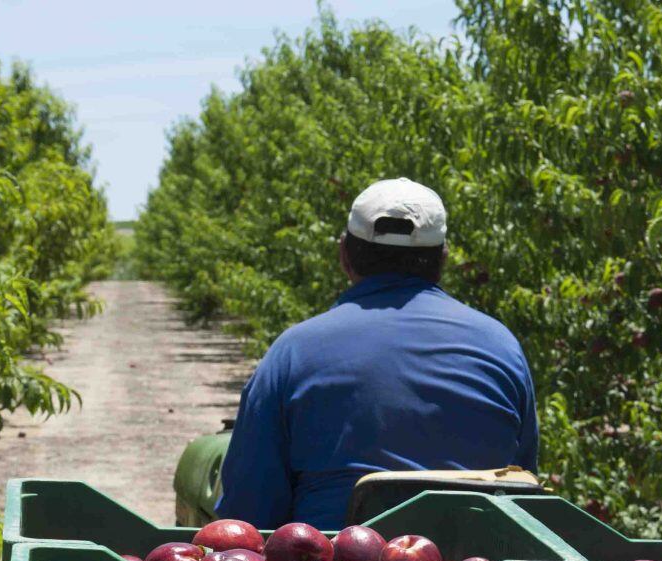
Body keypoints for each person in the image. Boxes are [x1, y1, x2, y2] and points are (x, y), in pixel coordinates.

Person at [214, 178, 539, 530]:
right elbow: (522, 485)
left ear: (344, 254)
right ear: (442, 258)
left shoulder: (293, 351)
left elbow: (248, 513)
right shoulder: (501, 346)